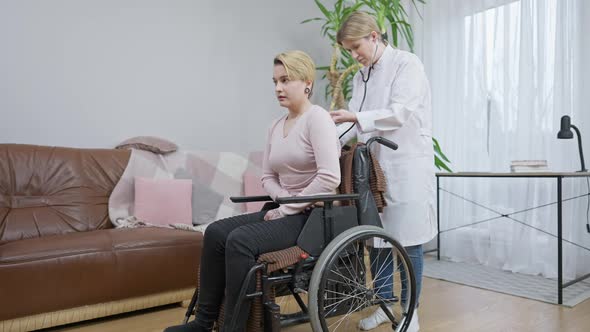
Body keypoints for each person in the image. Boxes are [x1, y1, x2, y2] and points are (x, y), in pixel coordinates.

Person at [164, 50, 341, 332]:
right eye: (274, 82)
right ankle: (203, 321)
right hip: (284, 210)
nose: (278, 88)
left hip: (311, 217)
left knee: (240, 241)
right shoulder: (275, 126)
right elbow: (267, 176)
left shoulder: (317, 119)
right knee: (215, 233)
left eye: (285, 80)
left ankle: (232, 328)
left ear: (307, 82)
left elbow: (330, 177)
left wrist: (288, 206)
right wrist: (281, 200)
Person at [331, 11, 437, 332]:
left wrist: (354, 117)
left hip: (406, 166)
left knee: (408, 242)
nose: (354, 55)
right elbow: (353, 122)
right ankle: (384, 305)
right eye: (348, 50)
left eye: (356, 46)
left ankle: (409, 311)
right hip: (374, 171)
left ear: (374, 36)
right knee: (377, 241)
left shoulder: (407, 64)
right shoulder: (363, 75)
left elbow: (399, 113)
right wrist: (327, 143)